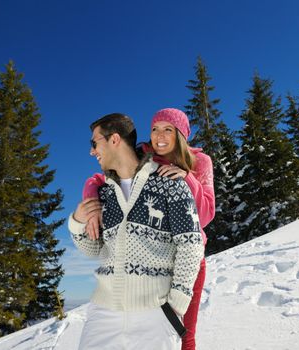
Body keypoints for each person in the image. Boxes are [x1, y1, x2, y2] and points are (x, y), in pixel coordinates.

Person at [80, 108, 215, 350]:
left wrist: (186, 178)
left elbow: (205, 215)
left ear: (182, 135)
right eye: (154, 129)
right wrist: (91, 203)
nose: (159, 135)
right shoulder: (144, 154)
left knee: (183, 331)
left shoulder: (200, 162)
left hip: (189, 257)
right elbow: (100, 178)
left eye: (168, 130)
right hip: (148, 261)